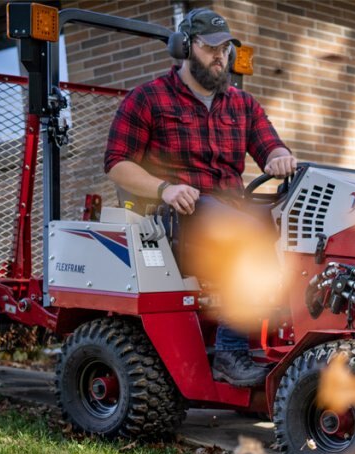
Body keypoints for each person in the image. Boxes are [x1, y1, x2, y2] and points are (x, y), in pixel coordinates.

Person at [103, 8, 297, 387]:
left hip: (230, 211)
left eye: (225, 49)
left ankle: (292, 340)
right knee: (248, 234)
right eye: (211, 48)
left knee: (303, 232)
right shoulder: (149, 99)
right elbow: (116, 163)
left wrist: (280, 159)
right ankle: (229, 351)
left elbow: (271, 147)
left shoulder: (242, 105)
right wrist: (165, 187)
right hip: (177, 216)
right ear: (186, 47)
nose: (220, 57)